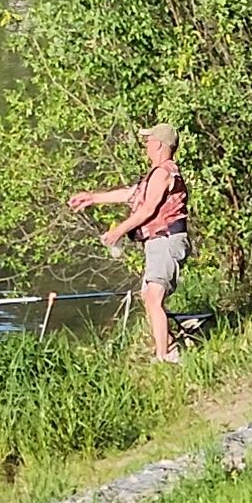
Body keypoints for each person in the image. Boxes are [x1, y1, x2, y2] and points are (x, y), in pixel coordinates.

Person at [67, 123, 191, 363]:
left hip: (166, 240)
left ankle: (164, 356)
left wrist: (118, 232)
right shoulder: (155, 175)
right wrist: (92, 198)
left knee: (154, 298)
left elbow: (148, 209)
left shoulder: (164, 173)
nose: (145, 145)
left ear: (158, 144)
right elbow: (130, 194)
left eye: (148, 141)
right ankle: (170, 348)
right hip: (157, 243)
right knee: (149, 297)